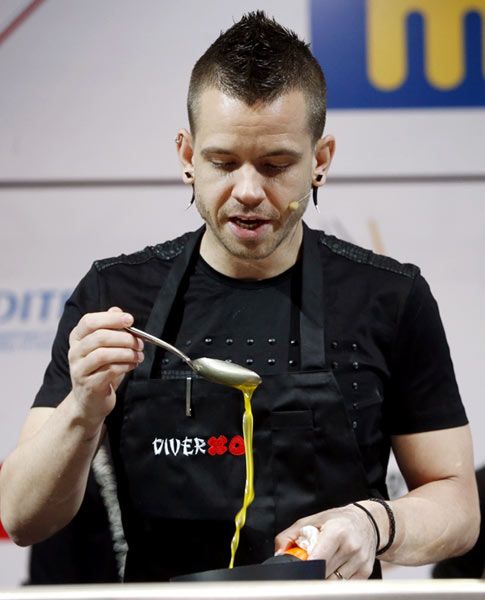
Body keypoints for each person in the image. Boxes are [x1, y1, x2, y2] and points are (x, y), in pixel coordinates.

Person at [0, 11, 479, 582]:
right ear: (187, 157)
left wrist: (375, 524)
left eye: (277, 165)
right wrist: (82, 410)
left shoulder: (390, 296)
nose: (249, 192)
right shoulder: (114, 296)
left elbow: (458, 505)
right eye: (223, 163)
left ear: (320, 161)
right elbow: (21, 518)